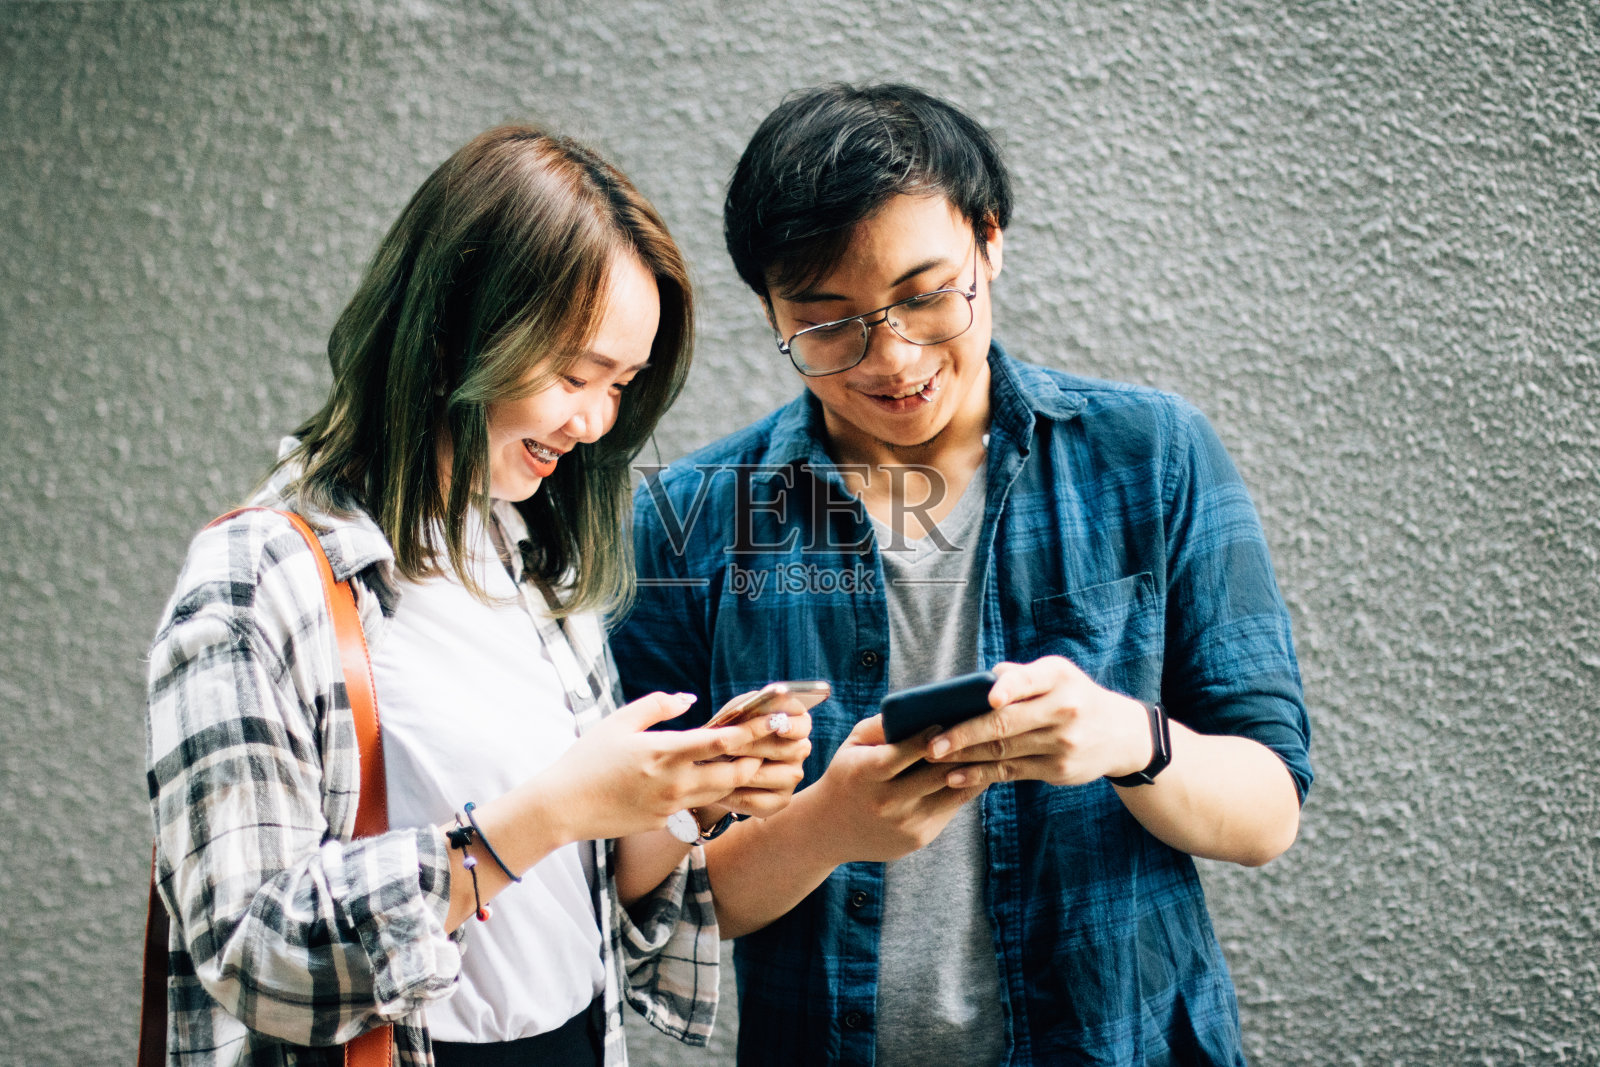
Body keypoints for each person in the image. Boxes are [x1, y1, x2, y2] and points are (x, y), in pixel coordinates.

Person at [609, 84, 1313, 1065]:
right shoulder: (689, 520)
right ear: (771, 312)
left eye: (924, 294)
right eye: (827, 323)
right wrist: (826, 827)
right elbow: (639, 890)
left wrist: (1125, 737)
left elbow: (1267, 808)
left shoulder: (1148, 457)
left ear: (990, 241)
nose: (890, 357)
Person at [145, 124, 812, 1067]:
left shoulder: (528, 549)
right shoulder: (261, 578)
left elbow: (583, 900)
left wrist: (681, 798)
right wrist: (549, 811)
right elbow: (254, 949)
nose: (596, 422)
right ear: (457, 327)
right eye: (575, 374)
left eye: (620, 384)